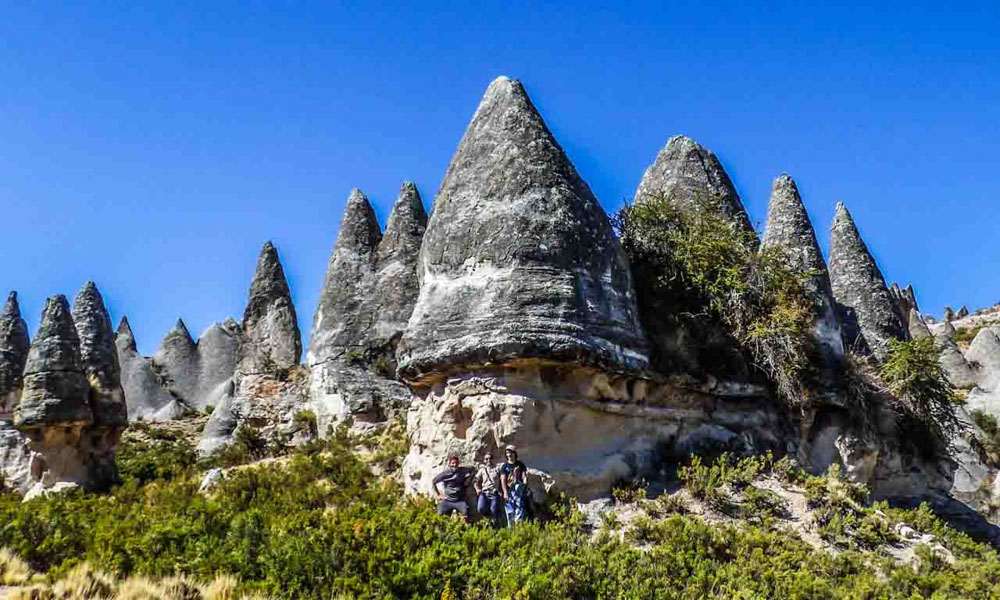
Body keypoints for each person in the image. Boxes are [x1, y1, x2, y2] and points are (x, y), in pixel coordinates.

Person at [433, 454, 472, 520]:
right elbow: (434, 482)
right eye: (452, 463)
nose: (454, 465)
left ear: (458, 464)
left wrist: (469, 479)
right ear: (450, 464)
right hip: (448, 500)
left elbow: (472, 469)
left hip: (459, 500)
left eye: (456, 463)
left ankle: (464, 529)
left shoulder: (462, 471)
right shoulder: (445, 474)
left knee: (466, 515)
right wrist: (439, 495)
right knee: (440, 516)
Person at [500, 445, 530, 525]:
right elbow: (503, 480)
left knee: (519, 507)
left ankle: (518, 526)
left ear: (514, 453)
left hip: (519, 488)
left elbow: (524, 475)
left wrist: (525, 482)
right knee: (509, 509)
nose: (509, 454)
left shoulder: (520, 464)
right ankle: (511, 527)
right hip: (509, 489)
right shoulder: (504, 466)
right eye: (507, 453)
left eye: (511, 452)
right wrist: (505, 492)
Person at [474, 453, 503, 526]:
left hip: (494, 492)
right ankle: (488, 518)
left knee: (494, 510)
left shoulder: (497, 469)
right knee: (480, 508)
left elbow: (502, 479)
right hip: (484, 493)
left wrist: (501, 491)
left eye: (490, 458)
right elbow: (475, 480)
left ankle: (494, 525)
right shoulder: (482, 470)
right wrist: (477, 489)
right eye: (486, 459)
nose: (488, 460)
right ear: (484, 460)